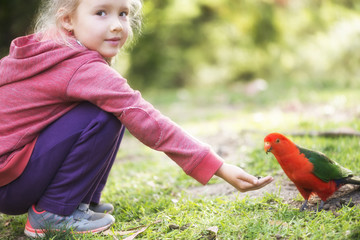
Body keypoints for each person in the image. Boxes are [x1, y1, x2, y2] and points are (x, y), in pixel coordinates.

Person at [0, 0, 273, 238]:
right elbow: (147, 119)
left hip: (9, 179)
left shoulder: (45, 49)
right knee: (107, 114)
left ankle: (77, 203)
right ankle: (53, 213)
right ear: (67, 20)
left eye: (123, 13)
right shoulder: (80, 66)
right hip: (12, 182)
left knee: (109, 109)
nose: (117, 24)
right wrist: (219, 166)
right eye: (101, 13)